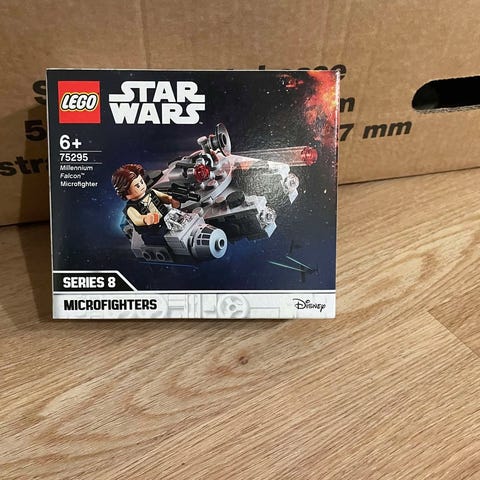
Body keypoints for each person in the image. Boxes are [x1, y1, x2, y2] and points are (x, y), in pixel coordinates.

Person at [111, 164, 180, 238]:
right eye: (137, 186)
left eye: (141, 182)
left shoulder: (151, 192)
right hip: (152, 232)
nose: (141, 186)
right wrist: (145, 219)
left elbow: (163, 197)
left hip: (166, 219)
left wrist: (170, 200)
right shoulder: (131, 208)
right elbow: (137, 219)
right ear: (125, 192)